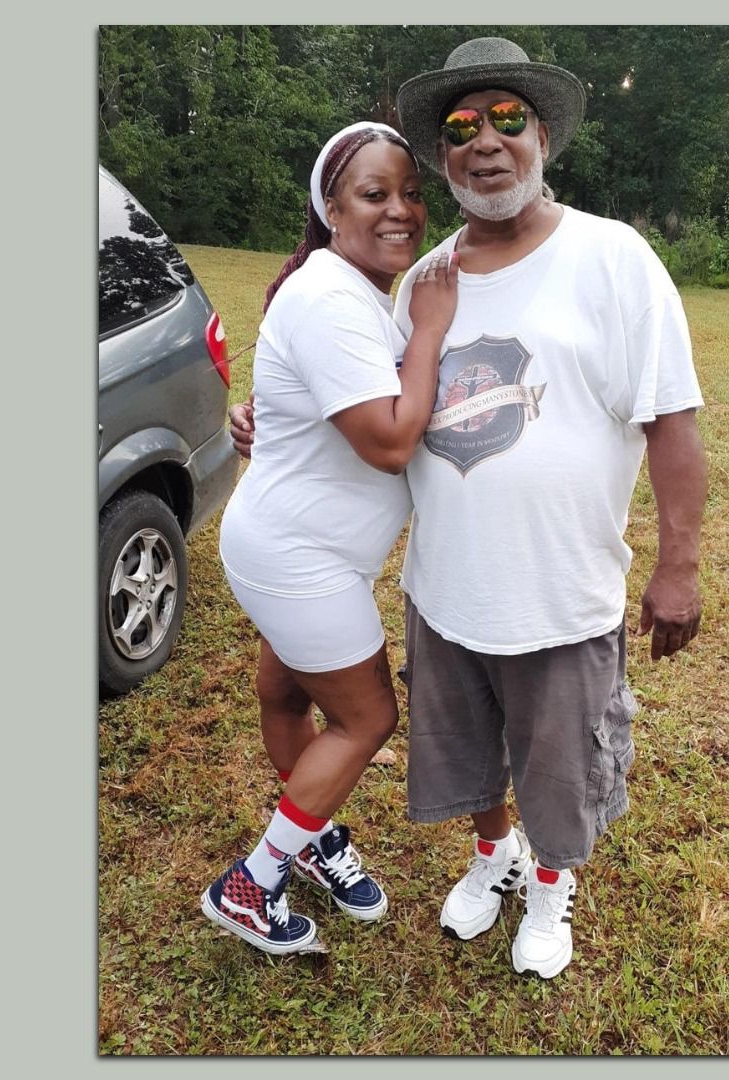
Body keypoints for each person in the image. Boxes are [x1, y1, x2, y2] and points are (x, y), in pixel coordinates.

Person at [230, 37, 708, 979]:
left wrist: (679, 562)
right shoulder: (426, 279)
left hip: (563, 592)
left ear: (541, 138)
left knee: (559, 764)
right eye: (458, 128)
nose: (483, 143)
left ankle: (552, 891)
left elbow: (675, 422)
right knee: (468, 752)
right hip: (446, 586)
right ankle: (493, 860)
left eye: (505, 121)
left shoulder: (615, 258)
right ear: (443, 158)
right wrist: (270, 422)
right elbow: (368, 400)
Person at [201, 121, 459, 956]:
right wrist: (428, 330)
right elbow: (387, 440)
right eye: (374, 194)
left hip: (290, 543)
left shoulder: (344, 290)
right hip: (299, 556)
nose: (402, 211)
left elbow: (295, 406)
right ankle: (252, 885)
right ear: (331, 208)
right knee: (366, 719)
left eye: (412, 192)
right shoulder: (330, 296)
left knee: (285, 695)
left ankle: (308, 836)